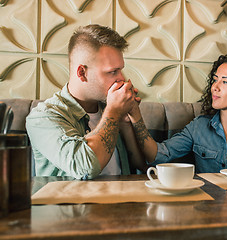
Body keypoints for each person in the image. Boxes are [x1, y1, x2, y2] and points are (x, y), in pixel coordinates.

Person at [26, 24, 146, 179]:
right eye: (112, 72)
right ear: (82, 73)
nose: (121, 78)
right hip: (73, 203)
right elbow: (85, 167)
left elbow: (141, 165)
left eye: (120, 70)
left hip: (122, 200)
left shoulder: (109, 108)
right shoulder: (43, 117)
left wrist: (126, 122)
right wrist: (114, 112)